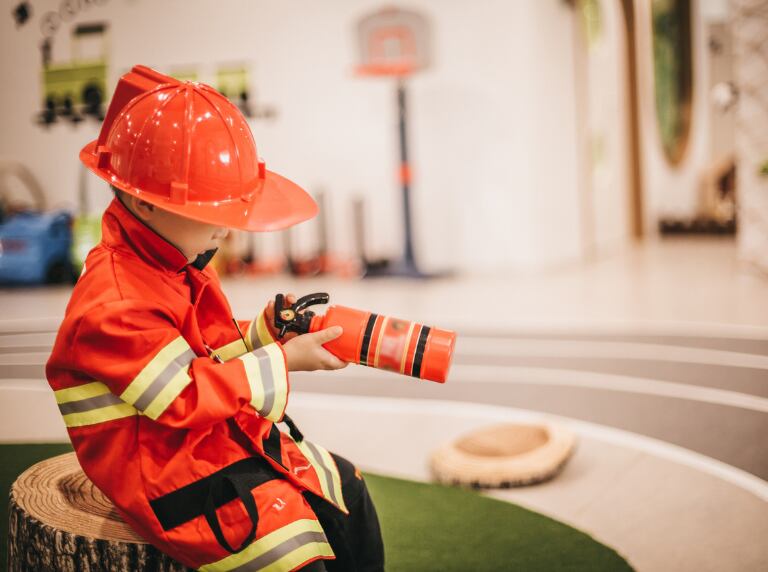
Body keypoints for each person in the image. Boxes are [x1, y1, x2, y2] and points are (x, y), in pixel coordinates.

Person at [46, 65, 384, 572]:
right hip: (164, 471)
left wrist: (265, 334)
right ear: (143, 201)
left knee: (348, 494)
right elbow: (184, 394)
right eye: (213, 210)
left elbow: (206, 356)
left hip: (196, 441)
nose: (229, 228)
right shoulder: (115, 301)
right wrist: (284, 361)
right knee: (289, 547)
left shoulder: (171, 262)